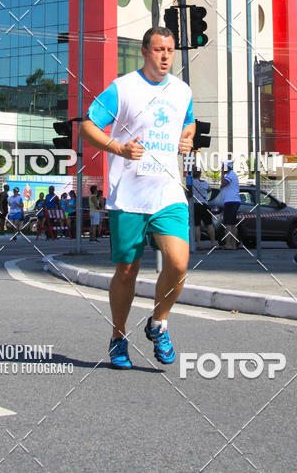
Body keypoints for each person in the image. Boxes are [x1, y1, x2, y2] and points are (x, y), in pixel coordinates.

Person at [81, 26, 195, 369]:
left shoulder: (182, 90)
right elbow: (87, 125)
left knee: (178, 262)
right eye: (158, 49)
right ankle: (118, 336)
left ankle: (158, 322)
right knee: (127, 271)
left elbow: (187, 123)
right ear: (145, 52)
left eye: (170, 50)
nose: (165, 56)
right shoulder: (122, 89)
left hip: (167, 191)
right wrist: (118, 147)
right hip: (128, 196)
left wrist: (187, 138)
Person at [211, 161, 240, 250]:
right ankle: (233, 244)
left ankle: (228, 244)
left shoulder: (230, 175)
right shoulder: (231, 175)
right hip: (232, 201)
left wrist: (222, 173)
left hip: (231, 202)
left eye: (223, 167)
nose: (222, 168)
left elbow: (223, 184)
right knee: (233, 223)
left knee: (228, 223)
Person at [191, 169, 217, 251]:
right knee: (209, 224)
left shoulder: (191, 183)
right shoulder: (204, 183)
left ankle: (199, 244)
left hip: (195, 205)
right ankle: (213, 243)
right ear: (200, 174)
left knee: (197, 225)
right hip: (204, 205)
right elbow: (209, 189)